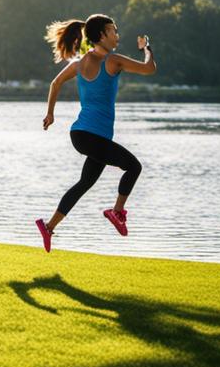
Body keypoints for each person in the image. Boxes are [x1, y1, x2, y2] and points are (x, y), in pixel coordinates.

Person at [35, 14, 156, 251]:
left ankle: (48, 227)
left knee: (85, 182)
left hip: (82, 135)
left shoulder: (79, 63)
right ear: (101, 35)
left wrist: (50, 114)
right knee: (134, 167)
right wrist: (147, 47)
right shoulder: (113, 61)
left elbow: (55, 84)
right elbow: (149, 68)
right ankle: (117, 211)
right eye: (113, 31)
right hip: (93, 137)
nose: (117, 36)